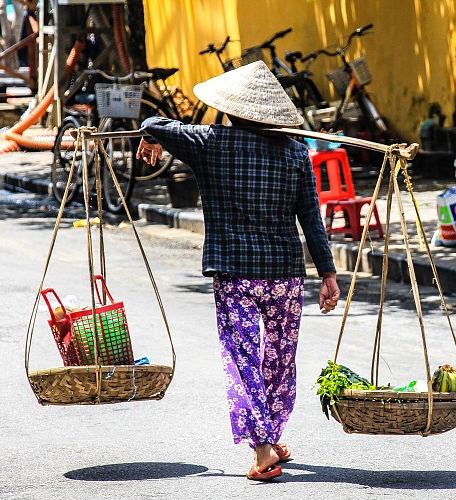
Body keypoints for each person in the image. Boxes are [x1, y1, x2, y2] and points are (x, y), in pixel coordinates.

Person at [136, 61, 340, 481]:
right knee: (280, 359)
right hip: (284, 273)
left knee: (243, 358)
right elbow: (310, 218)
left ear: (230, 110)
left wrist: (150, 136)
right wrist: (328, 274)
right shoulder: (296, 151)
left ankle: (265, 447)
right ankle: (271, 435)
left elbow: (155, 119)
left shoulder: (209, 142)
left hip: (236, 274)